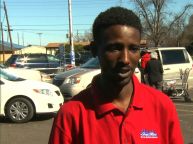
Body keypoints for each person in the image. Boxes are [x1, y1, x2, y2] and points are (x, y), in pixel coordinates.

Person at [49, 7, 183, 144]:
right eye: (114, 48)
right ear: (95, 50)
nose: (125, 59)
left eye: (133, 49)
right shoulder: (70, 115)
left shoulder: (163, 106)